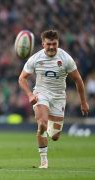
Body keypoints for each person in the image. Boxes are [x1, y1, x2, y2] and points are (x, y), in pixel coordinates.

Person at [18, 29, 89, 169]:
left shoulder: (66, 59)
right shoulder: (35, 58)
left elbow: (78, 80)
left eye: (54, 44)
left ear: (58, 43)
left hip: (58, 97)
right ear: (43, 43)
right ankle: (44, 161)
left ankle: (47, 126)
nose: (51, 47)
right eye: (48, 44)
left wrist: (83, 102)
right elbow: (22, 78)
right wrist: (30, 95)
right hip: (41, 93)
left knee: (55, 136)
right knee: (42, 123)